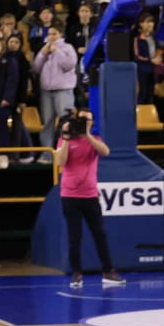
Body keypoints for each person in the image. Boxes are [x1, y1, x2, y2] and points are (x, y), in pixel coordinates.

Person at [53, 109, 124, 289]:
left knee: (99, 234)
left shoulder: (95, 141)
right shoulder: (64, 139)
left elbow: (105, 152)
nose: (85, 122)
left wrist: (87, 135)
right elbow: (60, 161)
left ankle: (108, 271)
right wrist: (67, 138)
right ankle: (76, 273)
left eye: (88, 120)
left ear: (92, 123)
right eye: (82, 119)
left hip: (90, 195)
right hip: (70, 196)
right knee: (74, 236)